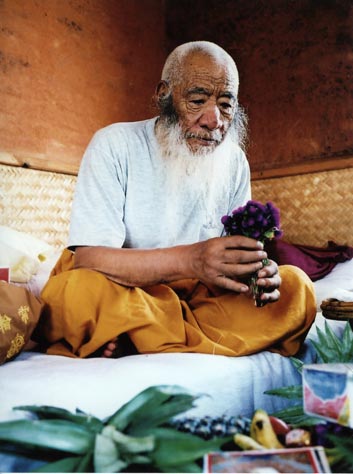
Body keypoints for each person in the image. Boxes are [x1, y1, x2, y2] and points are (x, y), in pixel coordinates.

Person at [36, 41, 316, 358]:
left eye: (226, 105)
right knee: (74, 294)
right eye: (198, 100)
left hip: (196, 300)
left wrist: (257, 275)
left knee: (297, 290)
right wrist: (192, 260)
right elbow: (89, 260)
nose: (214, 120)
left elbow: (230, 262)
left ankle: (139, 335)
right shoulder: (114, 144)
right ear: (164, 95)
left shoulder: (234, 161)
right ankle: (155, 331)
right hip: (123, 290)